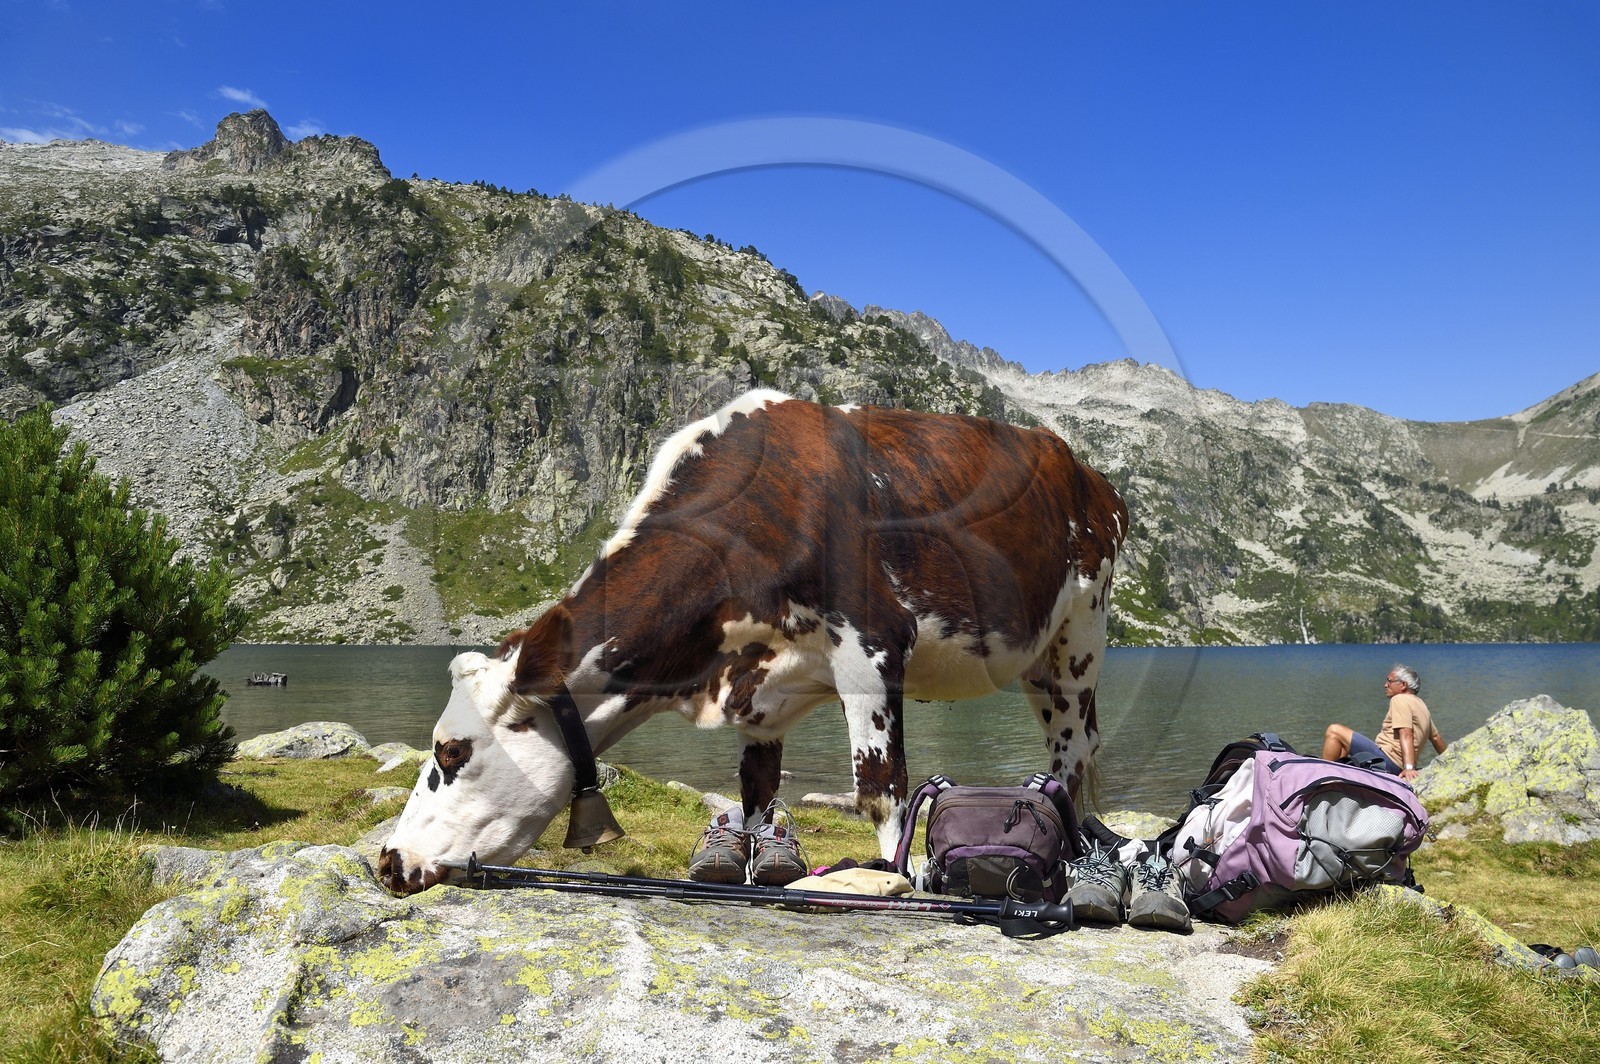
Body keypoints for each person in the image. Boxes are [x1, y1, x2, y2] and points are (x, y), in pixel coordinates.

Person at [1322, 664, 1446, 782]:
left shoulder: (1399, 699)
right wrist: (1450, 759)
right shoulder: (1421, 705)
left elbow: (1406, 733)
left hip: (1387, 762)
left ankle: (1322, 777)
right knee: (1343, 743)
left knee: (1334, 730)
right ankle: (1337, 777)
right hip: (1395, 763)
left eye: (1389, 681)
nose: (1385, 685)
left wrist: (1409, 768)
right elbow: (1436, 738)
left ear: (1403, 685)